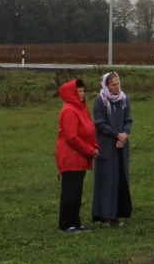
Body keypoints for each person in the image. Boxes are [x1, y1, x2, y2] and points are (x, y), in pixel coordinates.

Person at [56, 78, 98, 233]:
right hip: (70, 155)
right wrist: (89, 150)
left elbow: (89, 129)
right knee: (70, 190)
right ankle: (66, 224)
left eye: (83, 90)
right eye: (79, 91)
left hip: (80, 155)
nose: (83, 93)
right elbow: (72, 137)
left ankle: (76, 222)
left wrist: (94, 146)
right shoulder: (69, 110)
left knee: (77, 190)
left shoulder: (81, 108)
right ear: (72, 93)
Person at [91, 72, 132, 226]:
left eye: (118, 83)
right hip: (107, 147)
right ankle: (103, 215)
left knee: (120, 180)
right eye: (113, 84)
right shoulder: (100, 101)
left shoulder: (124, 99)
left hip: (122, 147)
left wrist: (124, 135)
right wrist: (116, 135)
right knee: (106, 180)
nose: (116, 87)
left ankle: (116, 214)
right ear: (106, 86)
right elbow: (100, 124)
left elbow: (128, 120)